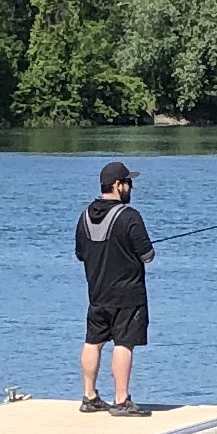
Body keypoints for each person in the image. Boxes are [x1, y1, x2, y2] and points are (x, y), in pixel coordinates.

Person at [74, 159, 155, 414]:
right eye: (129, 183)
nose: (131, 187)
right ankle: (121, 400)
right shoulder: (130, 216)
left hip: (96, 293)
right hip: (127, 295)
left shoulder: (84, 216)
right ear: (118, 185)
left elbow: (80, 254)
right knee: (124, 343)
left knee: (93, 341)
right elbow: (148, 256)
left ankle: (89, 397)